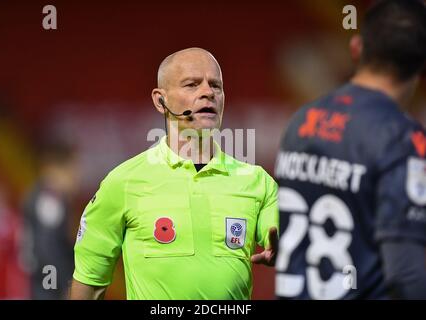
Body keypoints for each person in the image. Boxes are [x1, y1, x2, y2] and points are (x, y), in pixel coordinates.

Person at [69, 47, 279, 300]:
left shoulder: (258, 182)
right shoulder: (123, 183)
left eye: (216, 85)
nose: (207, 92)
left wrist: (284, 248)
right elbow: (89, 284)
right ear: (161, 101)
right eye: (192, 85)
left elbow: (282, 237)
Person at [275, 0, 426, 300]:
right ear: (420, 65)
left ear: (356, 48)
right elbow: (407, 272)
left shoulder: (302, 121)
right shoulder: (402, 138)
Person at [23, 139, 79, 299]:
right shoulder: (49, 200)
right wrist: (62, 286)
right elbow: (46, 249)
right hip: (47, 288)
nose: (76, 177)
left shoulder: (43, 196)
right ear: (56, 170)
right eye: (72, 170)